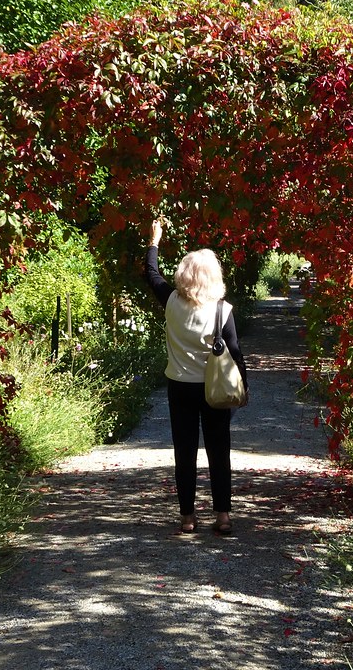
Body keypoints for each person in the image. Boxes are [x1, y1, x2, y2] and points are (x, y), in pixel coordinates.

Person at [144, 218, 248, 535]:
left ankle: (187, 518)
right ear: (213, 276)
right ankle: (223, 517)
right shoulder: (222, 310)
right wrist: (244, 388)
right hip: (214, 390)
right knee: (219, 452)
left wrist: (154, 239)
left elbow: (151, 274)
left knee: (184, 453)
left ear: (184, 274)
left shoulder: (171, 302)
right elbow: (235, 353)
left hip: (179, 388)